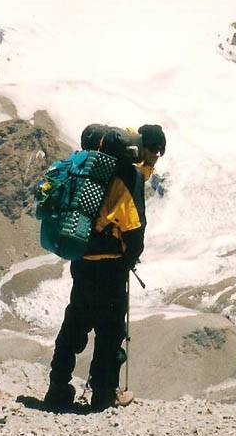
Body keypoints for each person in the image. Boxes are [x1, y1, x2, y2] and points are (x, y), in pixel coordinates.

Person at [43, 124, 166, 411]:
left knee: (75, 322)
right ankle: (104, 393)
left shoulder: (92, 170)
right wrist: (129, 258)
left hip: (82, 260)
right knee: (110, 330)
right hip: (111, 266)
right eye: (155, 151)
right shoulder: (129, 176)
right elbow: (133, 227)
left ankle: (57, 388)